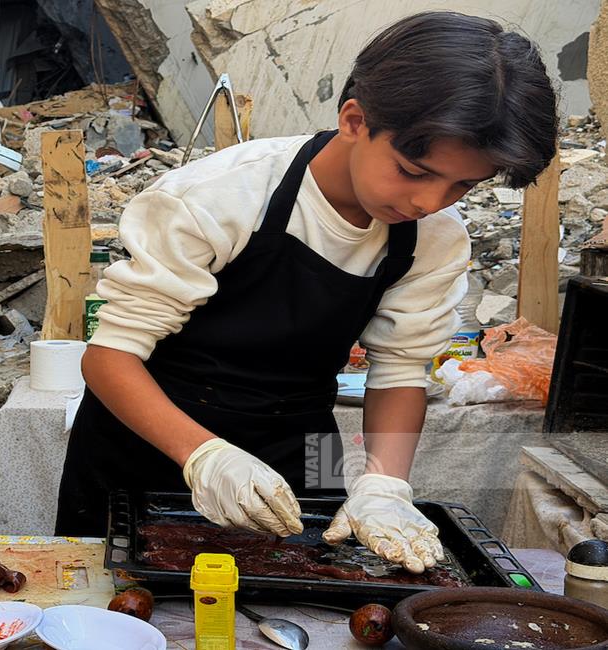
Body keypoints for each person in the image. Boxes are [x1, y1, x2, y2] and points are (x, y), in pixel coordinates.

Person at [54, 11, 558, 574]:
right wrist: (206, 456)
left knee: (319, 576)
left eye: (462, 184)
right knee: (125, 592)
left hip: (309, 438)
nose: (429, 202)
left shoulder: (435, 237)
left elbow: (399, 372)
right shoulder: (217, 197)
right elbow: (109, 358)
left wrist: (385, 484)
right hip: (152, 433)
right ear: (354, 120)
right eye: (414, 171)